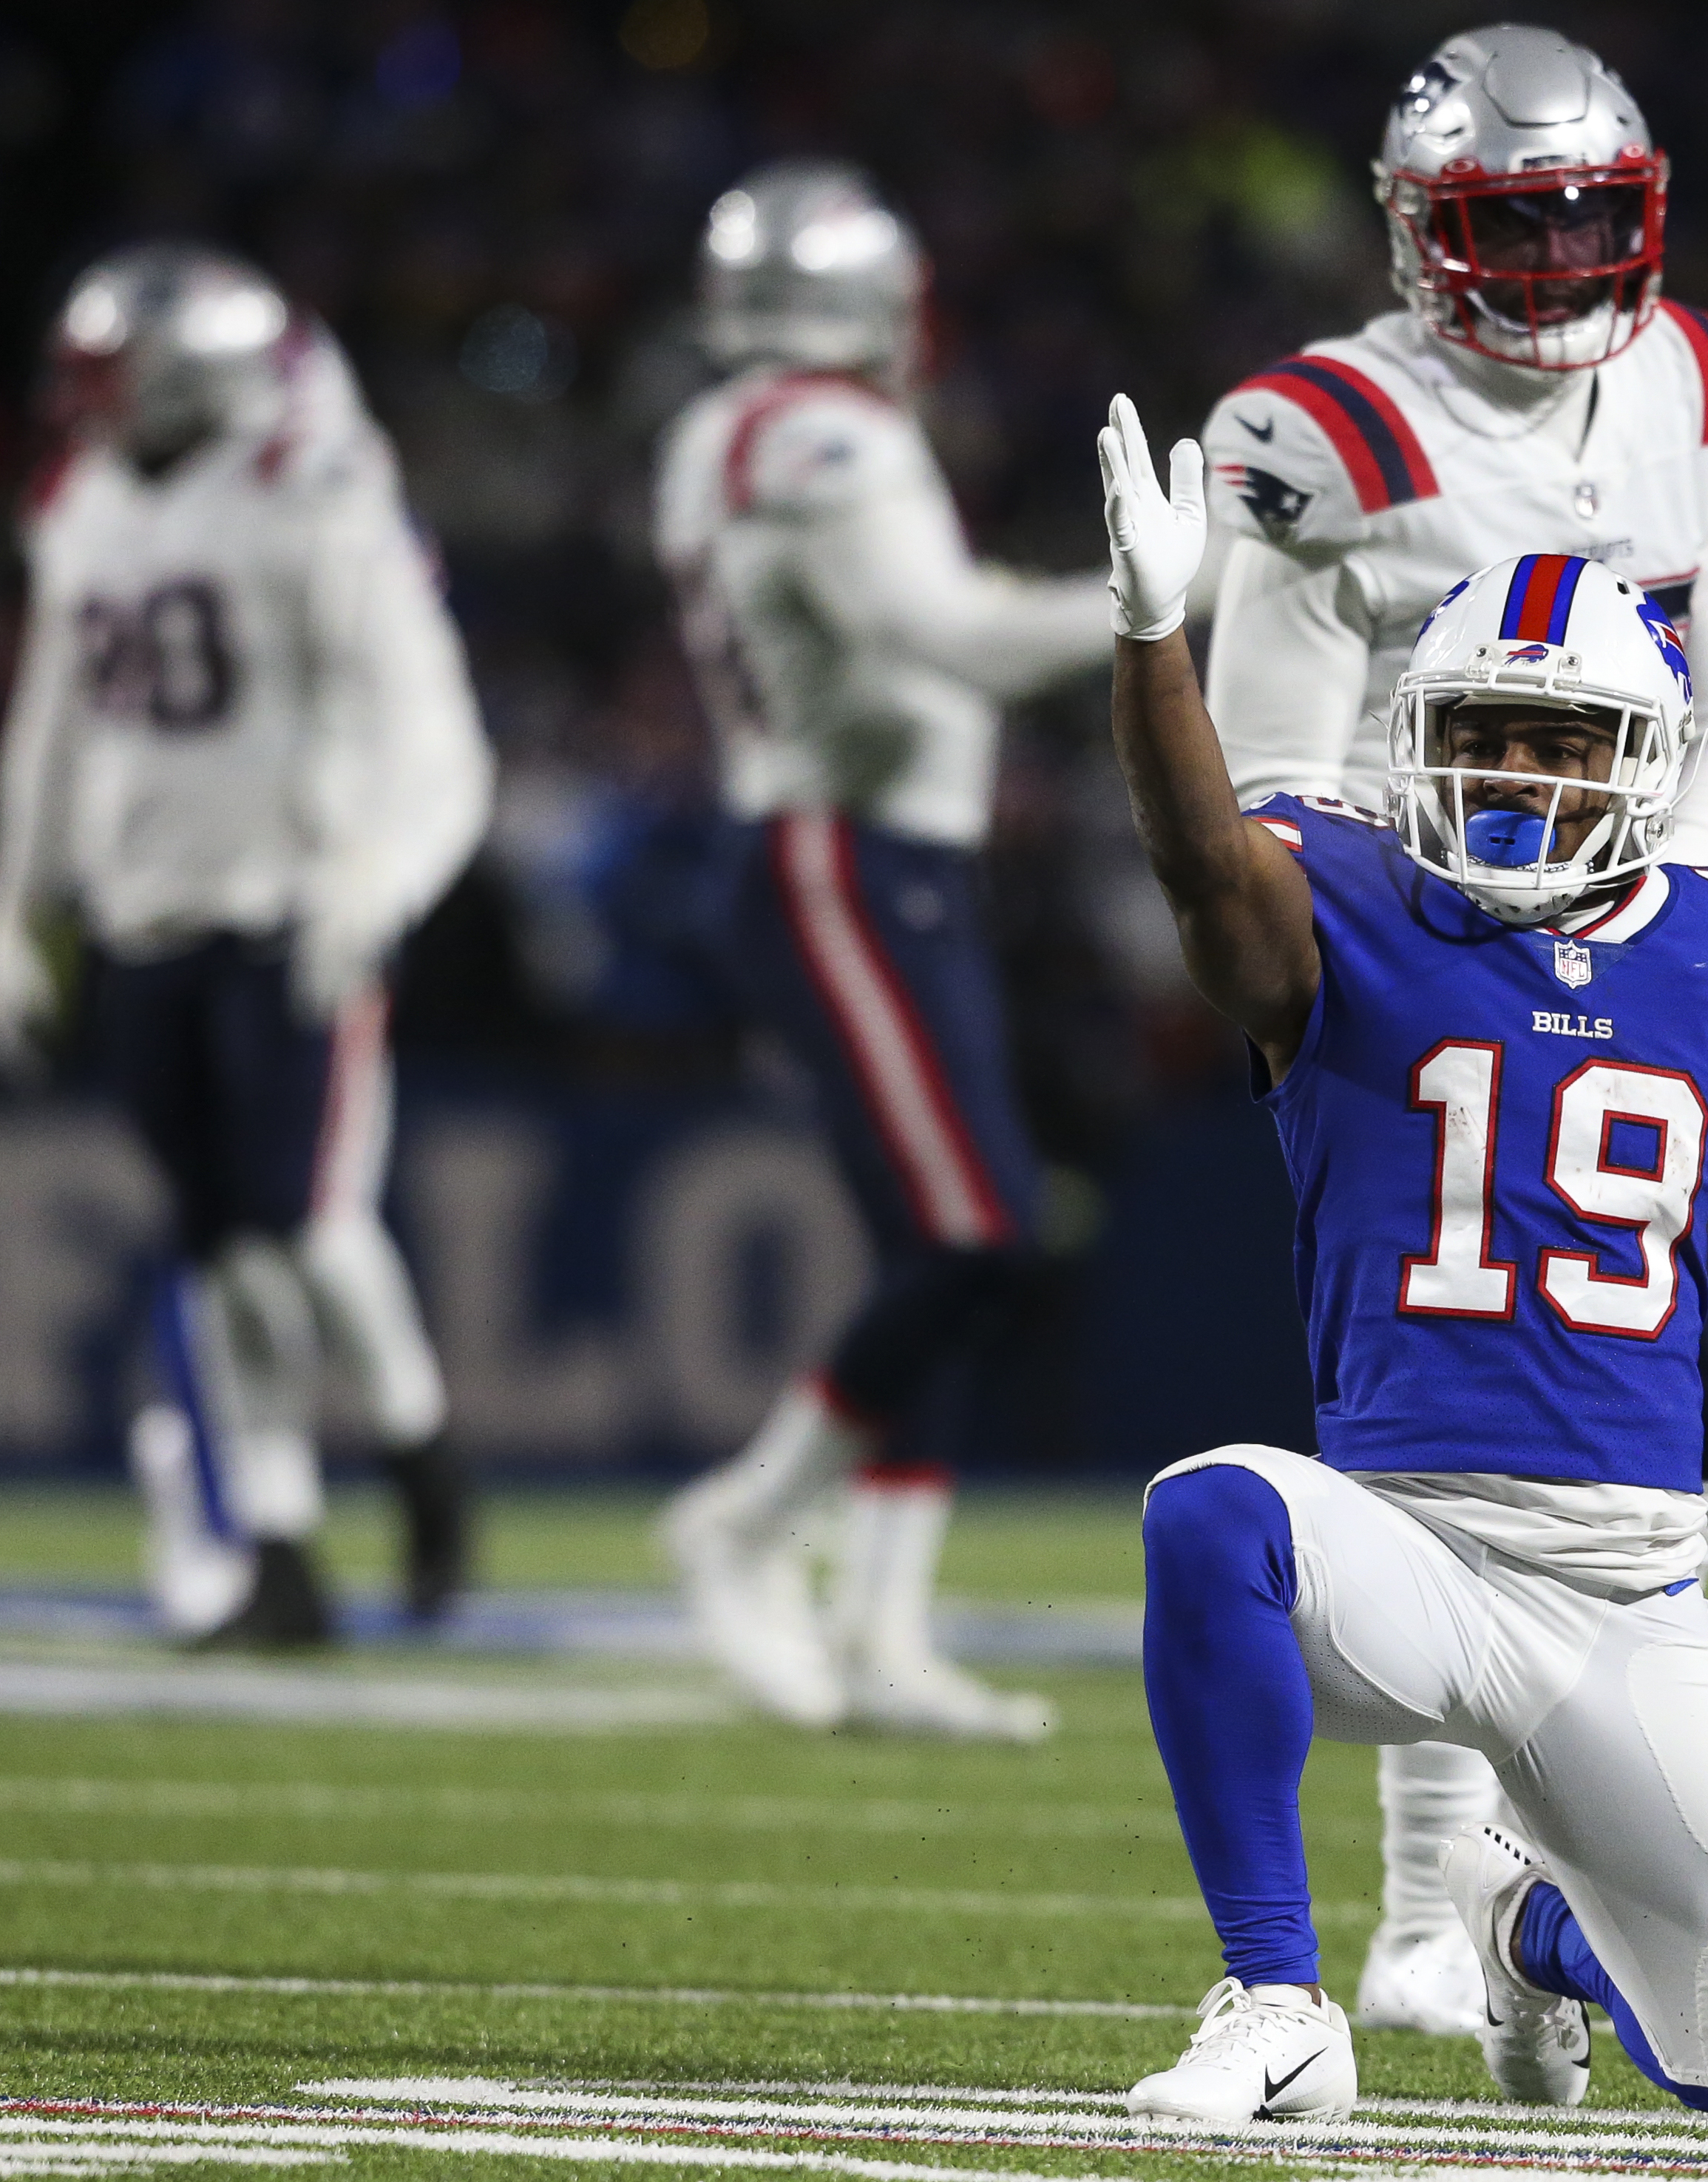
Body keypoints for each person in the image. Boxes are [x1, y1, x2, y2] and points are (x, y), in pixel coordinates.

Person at [1096, 396, 1708, 2123]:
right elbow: (1200, 871)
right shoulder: (1344, 902)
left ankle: (1525, 1922)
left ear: (1640, 757)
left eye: (1558, 742)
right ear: (1419, 733)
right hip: (1401, 1540)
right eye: (1482, 729)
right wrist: (1151, 640)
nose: (1514, 772)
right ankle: (1277, 2001)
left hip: (1628, 1604)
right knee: (1215, 1511)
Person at [1193, 22, 1708, 2032]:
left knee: (1703, 1394)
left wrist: (1648, 909)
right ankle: (1419, 1910)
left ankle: (1505, 1863)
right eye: (1504, 224)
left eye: (1578, 220)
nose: (1549, 264)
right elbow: (1274, 785)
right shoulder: (1321, 432)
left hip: (1617, 934)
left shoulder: (1693, 383)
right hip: (1399, 955)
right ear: (1412, 230)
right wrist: (1466, 927)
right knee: (1437, 1434)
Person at [0, 245, 491, 1646]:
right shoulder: (83, 504)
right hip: (145, 917)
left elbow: (438, 739)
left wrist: (376, 885)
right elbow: (53, 723)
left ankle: (423, 1457)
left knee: (310, 1230)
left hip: (285, 915)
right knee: (215, 1253)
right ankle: (276, 1540)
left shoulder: (310, 496)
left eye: (111, 375)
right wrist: (12, 908)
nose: (84, 403)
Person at [651, 162, 1111, 1741]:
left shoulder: (725, 431)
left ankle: (881, 1631)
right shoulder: (827, 434)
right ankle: (749, 1519)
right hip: (840, 852)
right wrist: (1162, 593)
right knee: (976, 1242)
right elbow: (956, 640)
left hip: (867, 857)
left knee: (949, 1258)